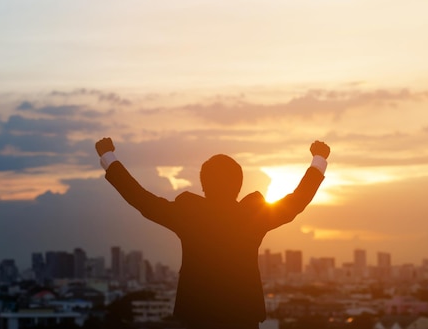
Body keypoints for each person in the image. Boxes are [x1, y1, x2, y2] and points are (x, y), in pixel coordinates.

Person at [95, 137, 330, 329]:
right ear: (238, 185)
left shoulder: (188, 215)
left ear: (204, 185)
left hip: (198, 316)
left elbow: (141, 198)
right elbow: (297, 201)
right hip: (243, 318)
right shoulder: (253, 216)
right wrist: (318, 158)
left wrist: (108, 156)